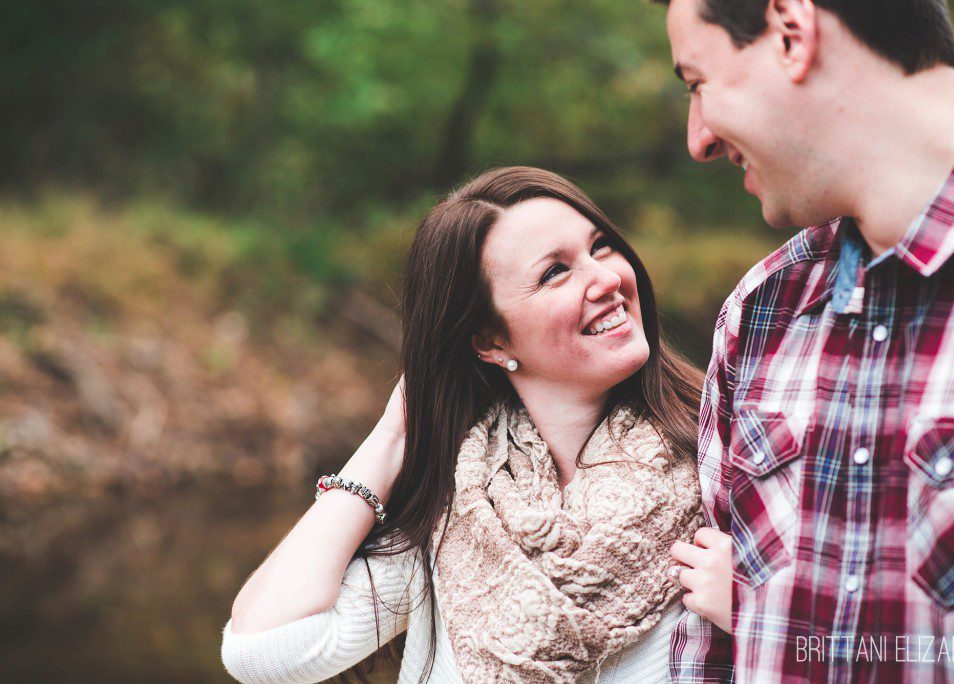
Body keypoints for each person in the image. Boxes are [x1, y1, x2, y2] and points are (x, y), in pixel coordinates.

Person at [220, 166, 730, 683]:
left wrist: (754, 613)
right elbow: (264, 651)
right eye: (555, 272)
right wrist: (393, 435)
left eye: (600, 247)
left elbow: (813, 648)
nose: (607, 278)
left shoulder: (726, 463)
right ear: (491, 342)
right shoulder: (464, 513)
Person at [654, 0, 954, 681]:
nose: (697, 139)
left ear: (792, 31)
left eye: (697, 82)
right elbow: (710, 659)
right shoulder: (761, 312)